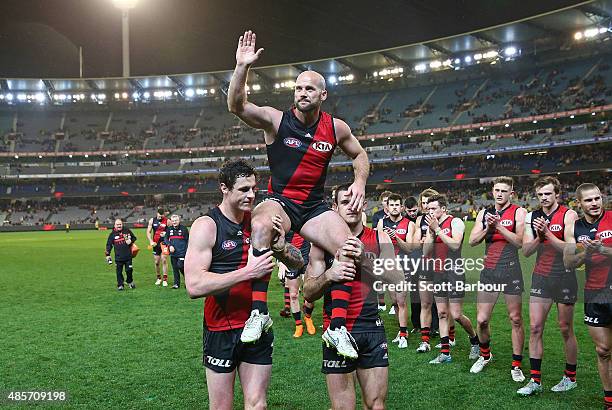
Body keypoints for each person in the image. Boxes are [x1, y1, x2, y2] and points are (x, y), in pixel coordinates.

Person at [227, 30, 370, 354]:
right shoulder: (277, 121)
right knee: (261, 226)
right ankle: (259, 313)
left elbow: (360, 155)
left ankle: (335, 328)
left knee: (351, 248)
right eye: (298, 88)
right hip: (280, 201)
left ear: (323, 94)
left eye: (309, 88)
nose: (302, 92)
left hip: (315, 207)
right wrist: (242, 67)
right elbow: (236, 105)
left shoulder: (336, 128)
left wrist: (359, 182)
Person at [184, 159, 302, 410]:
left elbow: (298, 264)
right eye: (243, 189)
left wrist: (281, 249)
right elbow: (194, 285)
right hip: (220, 328)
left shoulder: (259, 223)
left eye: (253, 189)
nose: (251, 195)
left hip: (258, 326)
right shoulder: (207, 226)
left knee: (258, 404)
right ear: (224, 188)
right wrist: (247, 272)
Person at [303, 183, 403, 410]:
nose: (351, 207)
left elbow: (398, 280)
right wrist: (329, 275)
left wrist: (364, 259)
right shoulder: (320, 243)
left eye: (355, 201)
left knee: (376, 405)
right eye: (344, 202)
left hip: (371, 328)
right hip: (337, 331)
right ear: (335, 207)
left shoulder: (379, 237)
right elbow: (308, 292)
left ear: (364, 204)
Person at [517, 177, 579, 396]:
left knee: (565, 328)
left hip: (565, 277)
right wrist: (539, 236)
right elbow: (526, 251)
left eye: (548, 194)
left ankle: (570, 377)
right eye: (540, 195)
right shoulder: (532, 217)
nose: (543, 198)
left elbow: (570, 250)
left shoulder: (568, 215)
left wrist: (548, 234)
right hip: (541, 278)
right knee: (535, 328)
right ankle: (535, 381)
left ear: (557, 195)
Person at [468, 176, 527, 381]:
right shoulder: (484, 213)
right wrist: (488, 228)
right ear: (492, 192)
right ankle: (485, 356)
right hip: (490, 271)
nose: (500, 193)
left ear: (511, 193)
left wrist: (500, 227)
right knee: (482, 320)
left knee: (516, 319)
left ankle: (516, 365)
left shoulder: (519, 212)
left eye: (504, 190)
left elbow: (520, 242)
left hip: (511, 270)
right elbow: (472, 240)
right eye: (497, 190)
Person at [564, 183, 612, 410]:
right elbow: (568, 262)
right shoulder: (574, 228)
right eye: (589, 200)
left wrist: (603, 250)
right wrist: (587, 253)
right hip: (594, 294)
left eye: (597, 198)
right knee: (603, 351)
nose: (595, 203)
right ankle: (609, 400)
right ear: (579, 203)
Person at [422, 194, 479, 364]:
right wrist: (431, 233)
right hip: (438, 273)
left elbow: (455, 244)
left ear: (443, 209)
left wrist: (438, 229)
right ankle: (445, 353)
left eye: (433, 208)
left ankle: (474, 340)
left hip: (454, 272)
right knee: (442, 313)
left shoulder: (455, 222)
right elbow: (425, 252)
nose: (430, 211)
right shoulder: (430, 226)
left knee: (456, 314)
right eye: (428, 209)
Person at [377, 193, 415, 349]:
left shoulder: (409, 224)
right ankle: (401, 331)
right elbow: (377, 245)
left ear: (401, 207)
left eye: (396, 205)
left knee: (401, 301)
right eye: (391, 205)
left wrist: (396, 238)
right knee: (395, 302)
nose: (394, 207)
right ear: (387, 207)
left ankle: (404, 335)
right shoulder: (381, 222)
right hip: (388, 266)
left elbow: (410, 248)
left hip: (403, 265)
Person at [414, 188, 441, 352]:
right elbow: (417, 243)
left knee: (444, 305)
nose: (428, 208)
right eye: (425, 205)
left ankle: (448, 337)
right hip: (425, 263)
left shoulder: (448, 220)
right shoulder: (419, 220)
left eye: (431, 205)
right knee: (425, 302)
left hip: (442, 264)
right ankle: (425, 340)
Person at [278, 231, 317, 338]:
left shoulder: (305, 216)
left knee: (311, 291)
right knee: (293, 295)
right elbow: (277, 239)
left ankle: (308, 317)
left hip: (307, 258)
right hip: (290, 259)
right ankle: (298, 325)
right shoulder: (285, 218)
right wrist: (280, 261)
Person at [404, 196, 422, 332]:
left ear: (418, 207)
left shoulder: (423, 219)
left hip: (427, 258)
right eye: (409, 211)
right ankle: (416, 324)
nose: (412, 213)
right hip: (410, 260)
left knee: (429, 294)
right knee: (414, 293)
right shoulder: (403, 222)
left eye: (414, 210)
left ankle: (432, 325)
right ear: (405, 209)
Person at [373, 191, 392, 312]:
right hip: (380, 249)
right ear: (382, 202)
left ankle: (394, 305)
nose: (386, 202)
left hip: (394, 249)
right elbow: (374, 230)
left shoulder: (398, 214)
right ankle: (382, 302)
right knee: (380, 276)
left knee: (392, 276)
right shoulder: (377, 215)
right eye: (384, 200)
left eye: (388, 200)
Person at [105, 219, 137, 291]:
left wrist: (131, 241)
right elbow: (109, 245)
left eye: (120, 224)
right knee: (119, 272)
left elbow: (134, 238)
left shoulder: (127, 230)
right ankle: (120, 284)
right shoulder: (112, 234)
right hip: (118, 257)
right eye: (117, 224)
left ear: (122, 224)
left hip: (128, 256)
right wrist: (107, 255)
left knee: (129, 270)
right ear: (115, 225)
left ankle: (129, 281)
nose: (119, 226)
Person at [163, 214, 190, 289]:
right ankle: (176, 284)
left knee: (180, 266)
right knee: (175, 268)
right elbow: (165, 239)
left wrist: (187, 251)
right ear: (171, 221)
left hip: (182, 252)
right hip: (173, 253)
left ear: (179, 220)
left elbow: (188, 240)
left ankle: (187, 280)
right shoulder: (169, 229)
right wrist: (169, 245)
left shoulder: (184, 229)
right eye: (173, 221)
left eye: (176, 220)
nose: (174, 222)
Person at [147, 208, 169, 287]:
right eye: (160, 215)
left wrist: (166, 234)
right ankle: (159, 278)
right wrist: (150, 241)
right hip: (155, 244)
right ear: (157, 213)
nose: (161, 217)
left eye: (162, 215)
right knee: (156, 262)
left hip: (164, 243)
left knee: (164, 260)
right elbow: (148, 232)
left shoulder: (167, 221)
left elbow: (171, 231)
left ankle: (165, 279)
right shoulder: (152, 220)